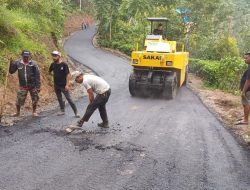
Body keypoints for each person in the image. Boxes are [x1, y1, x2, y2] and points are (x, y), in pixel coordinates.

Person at [9, 50, 41, 117]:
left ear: (29, 56)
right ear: (22, 56)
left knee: (35, 99)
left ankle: (34, 112)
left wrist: (38, 86)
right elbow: (11, 71)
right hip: (23, 85)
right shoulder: (18, 63)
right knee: (19, 100)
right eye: (24, 57)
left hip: (33, 85)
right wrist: (10, 63)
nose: (26, 58)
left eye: (27, 57)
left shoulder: (33, 64)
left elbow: (37, 75)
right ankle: (17, 112)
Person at [49, 51, 79, 117]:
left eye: (55, 56)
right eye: (53, 56)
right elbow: (50, 71)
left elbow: (68, 74)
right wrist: (54, 75)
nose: (54, 57)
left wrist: (67, 84)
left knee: (69, 98)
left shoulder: (64, 64)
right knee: (59, 98)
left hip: (63, 85)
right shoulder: (52, 64)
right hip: (56, 85)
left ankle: (76, 112)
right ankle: (62, 110)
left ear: (59, 56)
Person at [236, 51, 250, 125]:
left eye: (246, 58)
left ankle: (245, 120)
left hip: (247, 90)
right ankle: (245, 117)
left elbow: (248, 81)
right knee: (246, 104)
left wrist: (243, 91)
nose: (245, 59)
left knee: (246, 104)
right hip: (248, 90)